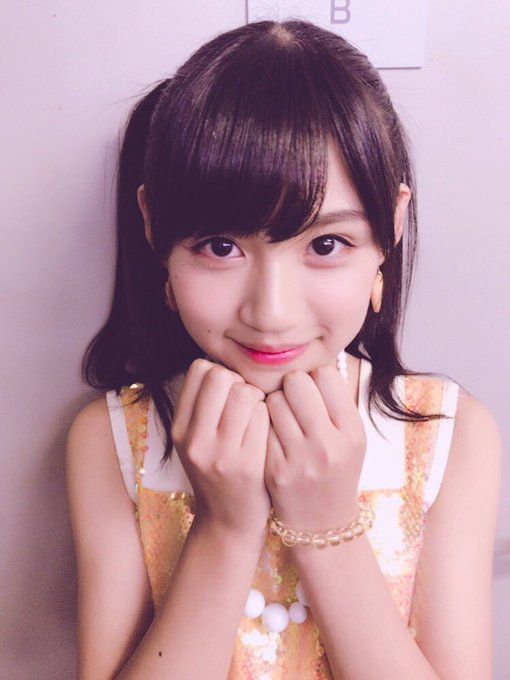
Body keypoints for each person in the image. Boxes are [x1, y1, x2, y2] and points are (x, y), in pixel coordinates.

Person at [66, 19, 501, 680]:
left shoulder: (446, 434)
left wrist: (327, 527)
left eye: (325, 245)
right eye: (221, 246)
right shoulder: (114, 439)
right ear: (154, 227)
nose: (271, 312)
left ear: (390, 227)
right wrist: (224, 529)